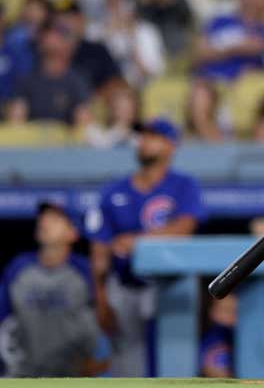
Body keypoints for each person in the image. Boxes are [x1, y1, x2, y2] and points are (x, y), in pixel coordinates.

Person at [86, 118, 206, 376]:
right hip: (124, 286)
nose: (144, 142)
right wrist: (101, 299)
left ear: (171, 145)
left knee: (172, 365)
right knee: (127, 368)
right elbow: (100, 249)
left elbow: (184, 228)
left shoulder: (184, 185)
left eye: (153, 137)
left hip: (169, 287)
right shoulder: (113, 190)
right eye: (142, 137)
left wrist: (138, 241)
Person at [0, 202, 103, 377]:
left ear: (73, 233)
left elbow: (107, 321)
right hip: (24, 374)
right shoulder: (18, 268)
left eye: (55, 219)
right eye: (43, 217)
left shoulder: (85, 271)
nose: (44, 222)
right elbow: (3, 317)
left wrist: (100, 362)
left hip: (71, 376)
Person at [6, 19, 92, 128]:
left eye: (59, 34)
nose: (51, 38)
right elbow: (16, 120)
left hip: (65, 142)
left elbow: (83, 120)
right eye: (48, 33)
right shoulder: (27, 79)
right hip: (33, 141)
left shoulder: (77, 80)